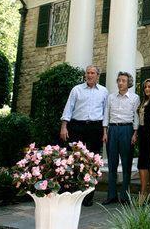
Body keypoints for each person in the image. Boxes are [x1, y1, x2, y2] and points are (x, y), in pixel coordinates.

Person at [60, 64, 109, 207]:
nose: (90, 75)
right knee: (74, 159)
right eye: (88, 73)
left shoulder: (104, 92)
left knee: (94, 161)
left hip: (95, 127)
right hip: (77, 126)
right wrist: (64, 126)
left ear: (98, 75)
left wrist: (105, 131)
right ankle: (72, 193)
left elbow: (106, 112)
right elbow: (68, 108)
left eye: (93, 73)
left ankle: (88, 196)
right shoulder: (77, 90)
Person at [102, 72, 140, 205]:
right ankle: (111, 195)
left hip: (127, 130)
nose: (120, 83)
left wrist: (134, 134)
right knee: (112, 163)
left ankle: (125, 196)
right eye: (119, 80)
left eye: (123, 81)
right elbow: (106, 114)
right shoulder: (111, 97)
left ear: (129, 83)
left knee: (126, 163)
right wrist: (105, 132)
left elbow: (136, 117)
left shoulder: (135, 98)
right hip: (112, 129)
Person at [137, 78, 150, 204]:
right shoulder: (144, 101)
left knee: (146, 164)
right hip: (142, 135)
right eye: (145, 87)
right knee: (145, 164)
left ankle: (145, 193)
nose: (147, 89)